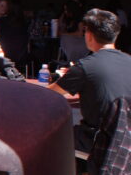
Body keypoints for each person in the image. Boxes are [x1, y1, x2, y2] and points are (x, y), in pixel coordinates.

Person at [49, 9, 131, 153]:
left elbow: (49, 94)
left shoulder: (85, 66)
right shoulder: (128, 61)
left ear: (90, 35)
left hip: (98, 140)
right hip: (126, 139)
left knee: (52, 135)